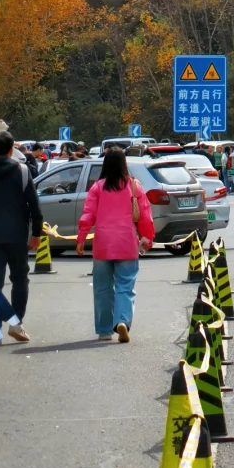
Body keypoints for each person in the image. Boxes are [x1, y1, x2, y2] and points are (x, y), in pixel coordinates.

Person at [76, 147, 154, 343]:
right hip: (127, 243)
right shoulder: (134, 186)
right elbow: (145, 216)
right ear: (124, 164)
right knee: (125, 286)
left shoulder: (98, 187)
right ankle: (122, 321)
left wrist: (81, 238)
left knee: (102, 288)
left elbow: (87, 215)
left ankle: (104, 330)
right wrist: (148, 238)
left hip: (103, 244)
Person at [0, 131, 43, 343]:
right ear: (11, 150)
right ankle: (17, 324)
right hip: (17, 235)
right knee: (20, 279)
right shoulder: (22, 171)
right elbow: (34, 205)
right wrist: (36, 234)